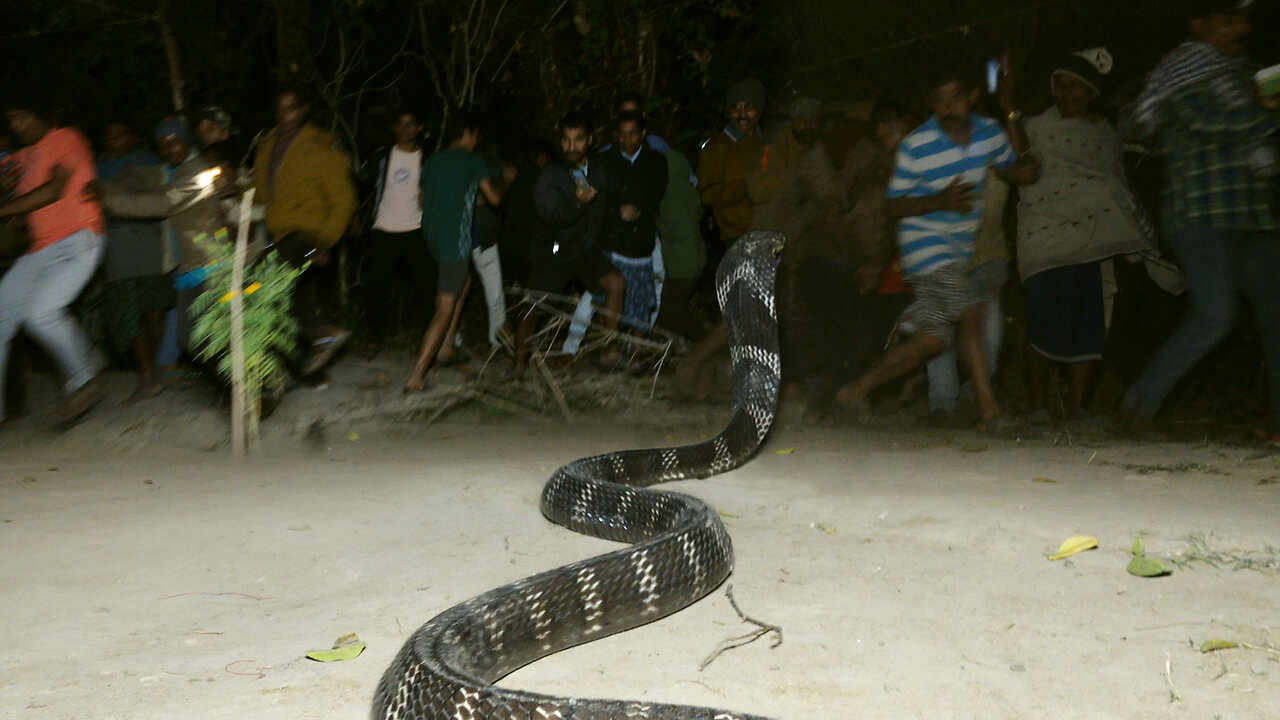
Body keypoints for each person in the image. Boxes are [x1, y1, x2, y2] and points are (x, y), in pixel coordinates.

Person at [833, 62, 1041, 425]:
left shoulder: (989, 132)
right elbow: (893, 204)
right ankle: (990, 409)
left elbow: (1017, 167)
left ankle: (853, 392)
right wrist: (939, 202)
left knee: (931, 340)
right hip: (924, 244)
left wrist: (1010, 107)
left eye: (956, 98)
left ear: (973, 95)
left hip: (958, 249)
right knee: (970, 308)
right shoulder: (917, 145)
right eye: (939, 101)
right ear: (930, 103)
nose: (948, 109)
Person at [1119, 0, 1280, 445]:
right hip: (1201, 213)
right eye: (1228, 19)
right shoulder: (1182, 73)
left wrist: (1266, 107)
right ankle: (1137, 406)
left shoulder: (1249, 74)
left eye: (1243, 18)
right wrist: (1267, 112)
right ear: (1200, 26)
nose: (1241, 27)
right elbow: (1208, 125)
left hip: (1253, 215)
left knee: (1276, 315)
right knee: (1215, 316)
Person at [1017, 51, 1158, 425]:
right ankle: (1037, 408)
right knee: (1044, 320)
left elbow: (1116, 185)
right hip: (1045, 234)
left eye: (1076, 86)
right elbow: (1026, 172)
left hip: (1091, 240)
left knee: (1088, 325)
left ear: (1092, 91)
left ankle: (1079, 409)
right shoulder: (1036, 128)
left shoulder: (1105, 135)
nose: (1067, 95)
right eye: (1060, 88)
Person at [0, 95, 107, 429]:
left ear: (42, 114)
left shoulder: (65, 138)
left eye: (22, 116)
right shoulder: (22, 157)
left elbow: (55, 190)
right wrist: (5, 191)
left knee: (40, 312)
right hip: (39, 249)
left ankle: (85, 379)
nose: (17, 125)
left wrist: (4, 208)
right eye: (12, 120)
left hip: (78, 239)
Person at [98, 119, 226, 377]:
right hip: (191, 268)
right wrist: (107, 183)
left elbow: (163, 203)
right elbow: (144, 176)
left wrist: (109, 199)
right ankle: (233, 385)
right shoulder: (173, 170)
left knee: (203, 336)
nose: (169, 149)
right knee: (192, 338)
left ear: (187, 141)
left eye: (174, 141)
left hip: (213, 265)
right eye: (163, 145)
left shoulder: (200, 173)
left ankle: (246, 385)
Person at [252, 87, 358, 379]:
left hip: (307, 235)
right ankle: (307, 371)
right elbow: (262, 194)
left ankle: (326, 333)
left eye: (292, 108)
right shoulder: (268, 144)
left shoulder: (321, 146)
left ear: (303, 110)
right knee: (284, 299)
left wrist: (324, 241)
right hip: (279, 234)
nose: (286, 115)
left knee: (263, 292)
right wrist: (236, 190)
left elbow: (344, 200)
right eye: (281, 109)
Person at [512, 112, 625, 379]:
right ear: (559, 141)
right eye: (566, 140)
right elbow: (549, 215)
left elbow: (608, 204)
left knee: (616, 283)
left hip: (586, 251)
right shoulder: (551, 175)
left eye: (578, 139)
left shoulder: (598, 169)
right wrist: (577, 204)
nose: (571, 146)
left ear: (590, 140)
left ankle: (609, 350)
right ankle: (517, 366)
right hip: (554, 251)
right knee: (533, 309)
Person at [403, 113, 511, 392]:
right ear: (468, 133)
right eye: (475, 135)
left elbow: (424, 199)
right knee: (445, 305)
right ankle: (417, 375)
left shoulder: (434, 160)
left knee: (465, 282)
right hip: (455, 241)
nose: (477, 141)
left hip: (432, 237)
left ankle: (447, 347)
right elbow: (495, 199)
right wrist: (507, 180)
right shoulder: (473, 159)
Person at [361, 109, 435, 358]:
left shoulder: (427, 158)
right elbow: (366, 185)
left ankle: (429, 340)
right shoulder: (382, 156)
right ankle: (373, 337)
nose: (406, 129)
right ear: (394, 129)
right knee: (375, 289)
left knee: (426, 288)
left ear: (418, 128)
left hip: (415, 229)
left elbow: (430, 192)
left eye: (410, 124)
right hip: (384, 228)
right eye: (401, 124)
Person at [598, 111, 668, 332]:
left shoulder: (656, 161)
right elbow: (600, 197)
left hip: (641, 241)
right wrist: (617, 209)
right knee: (610, 297)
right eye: (622, 134)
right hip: (613, 241)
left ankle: (638, 351)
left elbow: (653, 195)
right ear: (615, 135)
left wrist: (636, 206)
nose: (627, 140)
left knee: (640, 299)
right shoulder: (605, 161)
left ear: (643, 134)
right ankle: (610, 345)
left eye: (633, 134)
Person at [698, 78, 766, 245]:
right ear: (728, 112)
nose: (742, 114)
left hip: (771, 230)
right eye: (736, 108)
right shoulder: (716, 148)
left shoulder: (768, 143)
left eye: (749, 107)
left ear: (759, 111)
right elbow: (707, 195)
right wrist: (744, 188)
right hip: (737, 236)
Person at [653, 147, 707, 341]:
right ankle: (703, 343)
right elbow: (697, 215)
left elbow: (679, 228)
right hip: (696, 257)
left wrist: (658, 222)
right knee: (678, 308)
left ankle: (675, 353)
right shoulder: (689, 190)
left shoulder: (669, 193)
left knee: (670, 312)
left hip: (681, 263)